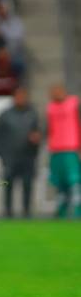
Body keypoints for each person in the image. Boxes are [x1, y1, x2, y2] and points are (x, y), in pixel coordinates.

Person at [0, 87, 41, 218]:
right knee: (6, 184)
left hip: (27, 158)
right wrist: (1, 154)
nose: (21, 99)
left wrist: (35, 140)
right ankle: (8, 213)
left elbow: (38, 133)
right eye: (18, 96)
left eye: (23, 96)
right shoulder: (5, 115)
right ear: (14, 98)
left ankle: (26, 213)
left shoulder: (32, 114)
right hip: (9, 159)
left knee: (27, 185)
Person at [46, 84, 81, 218]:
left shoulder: (74, 104)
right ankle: (61, 209)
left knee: (74, 181)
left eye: (58, 91)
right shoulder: (50, 108)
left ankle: (78, 209)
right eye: (53, 92)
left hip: (71, 148)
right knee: (59, 182)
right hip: (56, 149)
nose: (56, 94)